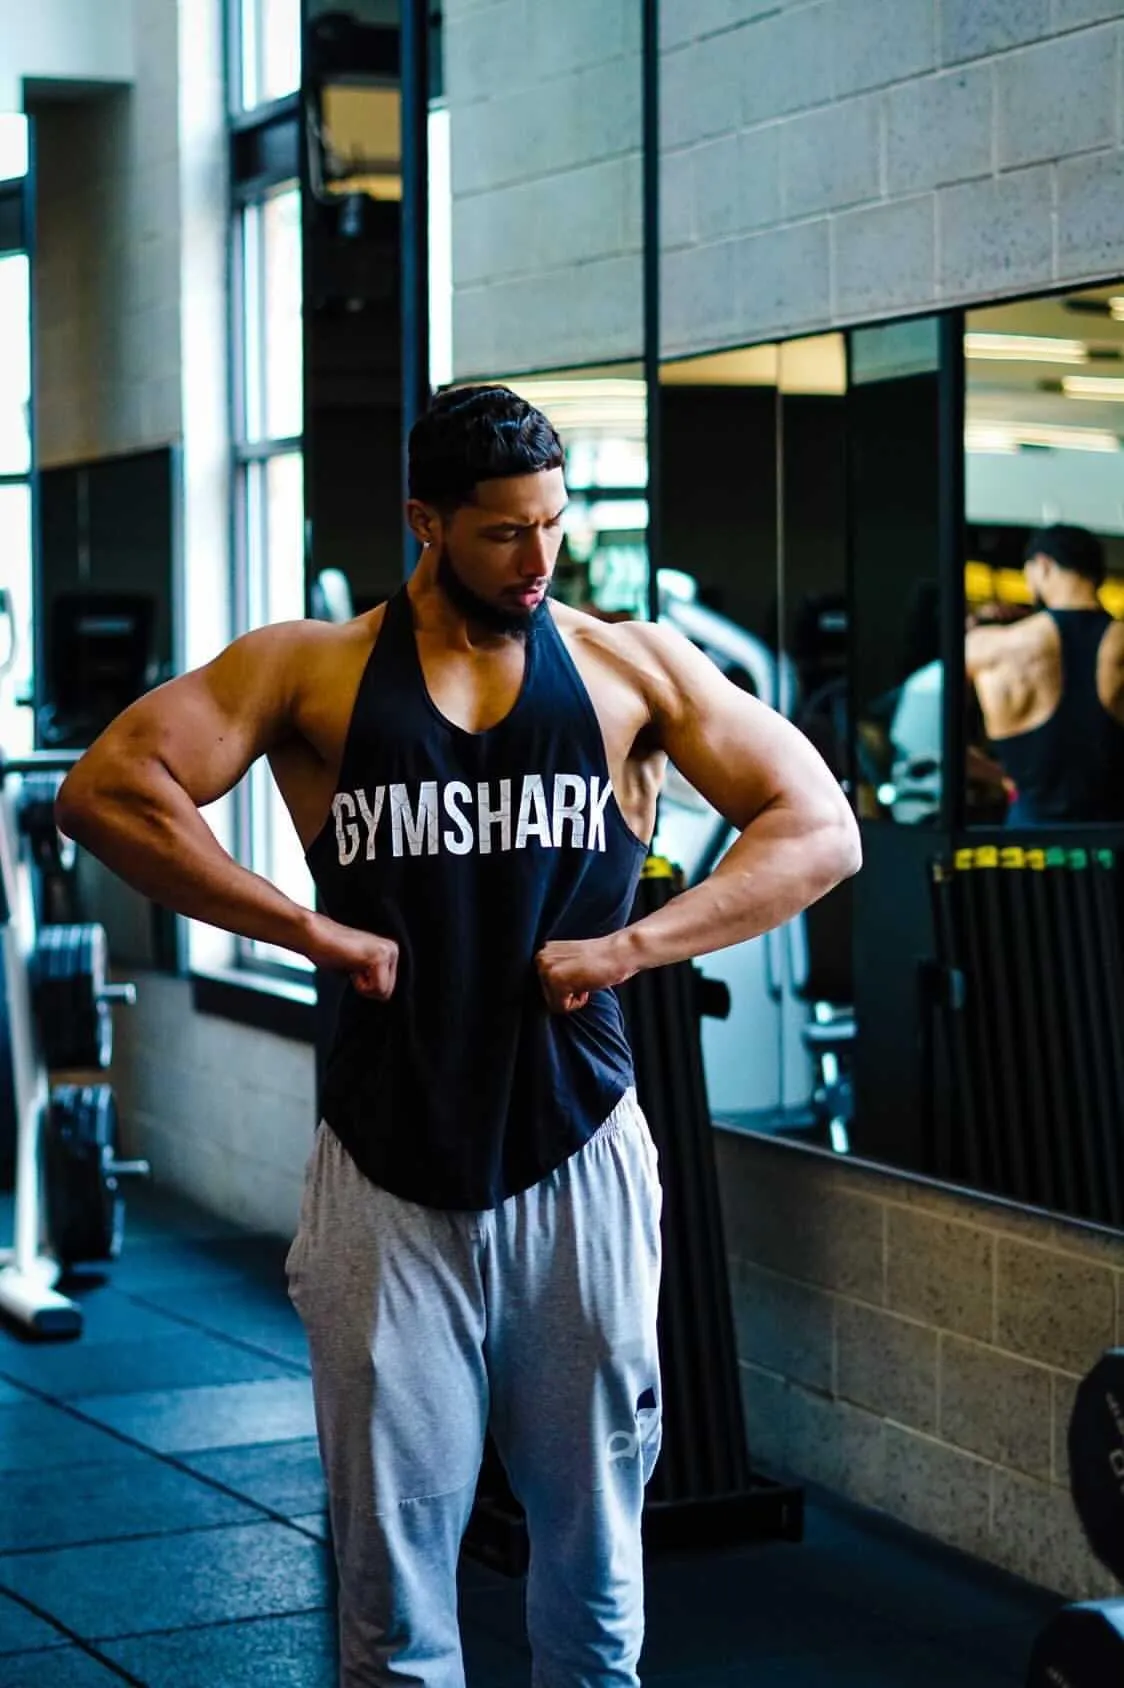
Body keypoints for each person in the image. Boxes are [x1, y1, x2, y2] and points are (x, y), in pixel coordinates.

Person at [55, 385, 861, 1688]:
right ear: (424, 521)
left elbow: (817, 826)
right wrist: (306, 932)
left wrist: (634, 946)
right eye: (502, 533)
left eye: (551, 526)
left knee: (595, 1576)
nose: (540, 560)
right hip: (382, 1164)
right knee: (389, 1589)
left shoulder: (626, 666)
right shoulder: (308, 668)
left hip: (579, 1152)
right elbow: (110, 790)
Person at [966, 524, 1124, 825]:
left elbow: (935, 744)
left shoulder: (992, 646)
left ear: (1043, 566)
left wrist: (1000, 775)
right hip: (1112, 839)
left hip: (1028, 836)